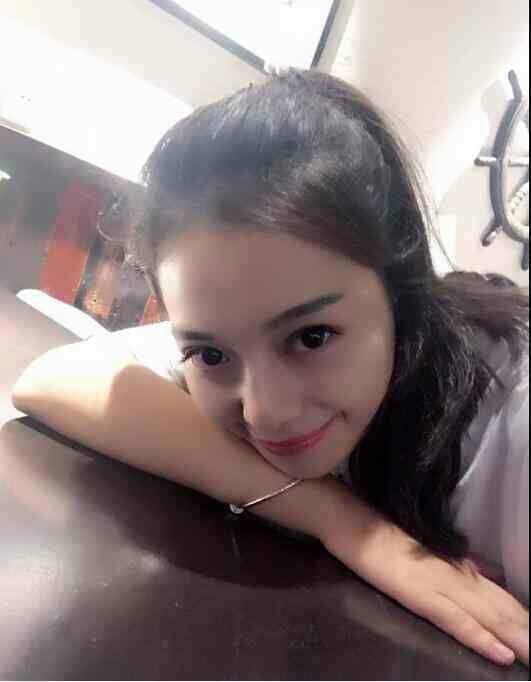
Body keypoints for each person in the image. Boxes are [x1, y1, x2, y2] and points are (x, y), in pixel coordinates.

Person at [12, 69, 529, 668]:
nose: (265, 412)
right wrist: (345, 523)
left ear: (399, 293)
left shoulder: (512, 416)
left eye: (311, 337)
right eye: (210, 354)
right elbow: (54, 380)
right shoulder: (248, 317)